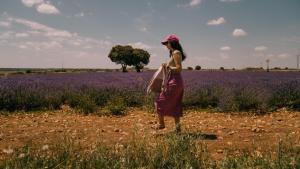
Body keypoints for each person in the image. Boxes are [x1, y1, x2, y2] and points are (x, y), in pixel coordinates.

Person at [153, 34, 186, 133]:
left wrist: (168, 67)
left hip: (174, 82)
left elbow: (179, 68)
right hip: (175, 81)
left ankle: (161, 124)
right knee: (176, 104)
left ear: (172, 42)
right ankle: (177, 128)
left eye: (167, 43)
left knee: (159, 100)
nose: (166, 45)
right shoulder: (174, 53)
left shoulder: (176, 52)